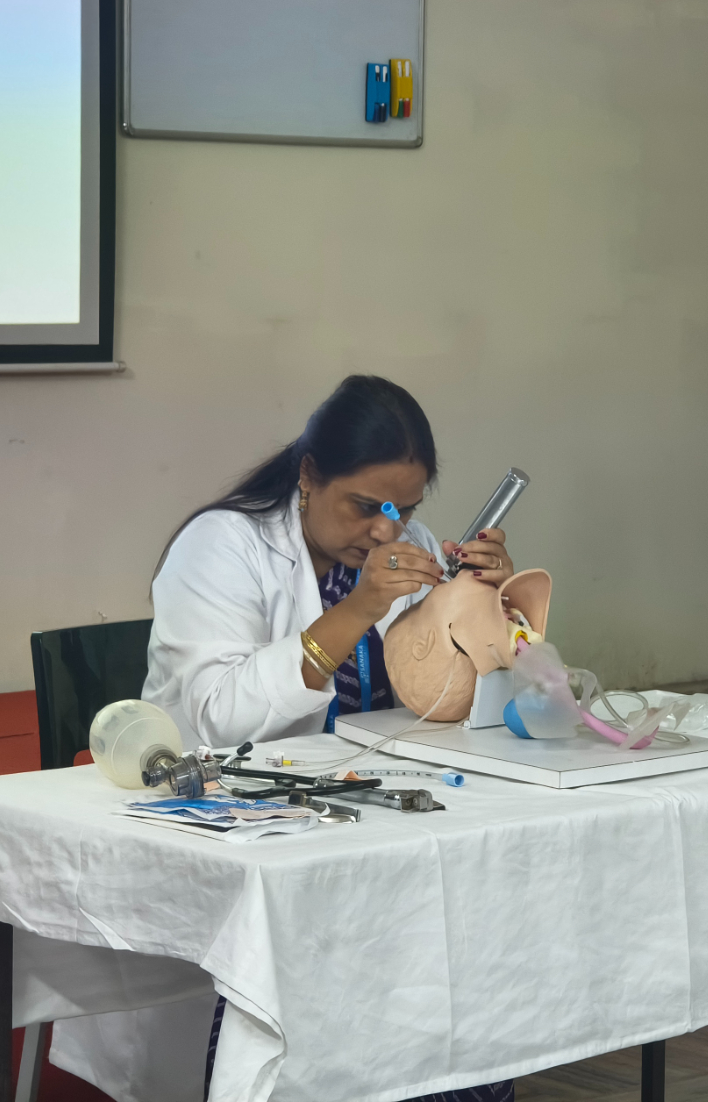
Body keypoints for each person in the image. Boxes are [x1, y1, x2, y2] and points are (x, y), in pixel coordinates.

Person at [146, 375, 519, 1102]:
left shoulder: (406, 546)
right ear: (309, 476)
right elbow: (220, 718)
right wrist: (359, 609)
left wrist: (485, 603)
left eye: (404, 510)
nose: (386, 531)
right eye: (365, 506)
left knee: (467, 920)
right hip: (241, 814)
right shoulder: (222, 545)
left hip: (370, 811)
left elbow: (446, 693)